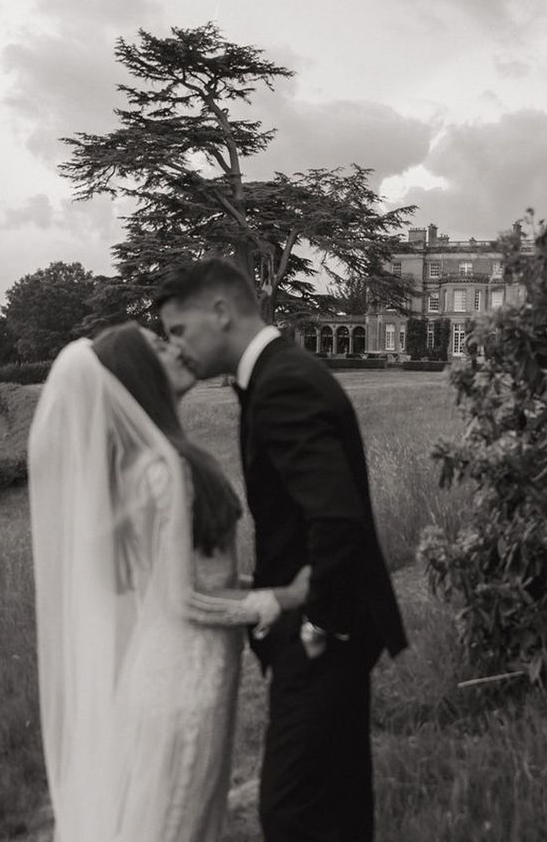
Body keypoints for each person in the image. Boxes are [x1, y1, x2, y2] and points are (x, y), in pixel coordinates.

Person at [157, 258, 408, 842]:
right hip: (329, 627)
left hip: (322, 633)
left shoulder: (284, 383)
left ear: (220, 312)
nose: (176, 346)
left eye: (178, 330)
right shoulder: (276, 374)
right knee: (337, 804)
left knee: (293, 812)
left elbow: (337, 519)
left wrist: (316, 625)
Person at [27, 322, 309, 842]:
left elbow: (191, 575)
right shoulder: (161, 470)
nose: (176, 345)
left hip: (187, 670)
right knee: (176, 820)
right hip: (182, 681)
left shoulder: (152, 461)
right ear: (138, 373)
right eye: (158, 346)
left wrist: (255, 583)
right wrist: (281, 598)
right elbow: (180, 598)